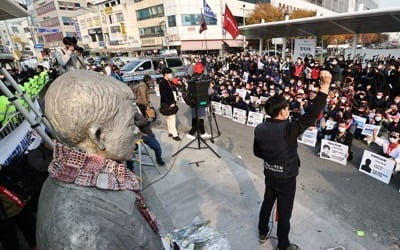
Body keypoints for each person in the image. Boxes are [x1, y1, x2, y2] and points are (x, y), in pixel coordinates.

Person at [37, 70, 163, 249]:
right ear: (98, 136)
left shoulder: (69, 177)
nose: (136, 130)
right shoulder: (83, 235)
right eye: (129, 124)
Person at [254, 70, 331, 250]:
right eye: (287, 108)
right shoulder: (289, 129)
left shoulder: (260, 128)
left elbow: (258, 152)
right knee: (284, 212)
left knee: (267, 203)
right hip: (286, 177)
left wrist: (272, 158)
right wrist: (325, 86)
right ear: (281, 112)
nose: (289, 111)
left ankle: (262, 232)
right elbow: (311, 114)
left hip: (269, 174)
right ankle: (283, 245)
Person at [159, 68, 180, 141]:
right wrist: (171, 103)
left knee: (169, 118)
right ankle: (175, 134)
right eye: (169, 73)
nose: (171, 75)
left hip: (168, 102)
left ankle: (170, 131)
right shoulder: (163, 82)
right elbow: (164, 94)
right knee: (172, 118)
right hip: (168, 103)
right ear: (166, 74)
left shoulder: (167, 81)